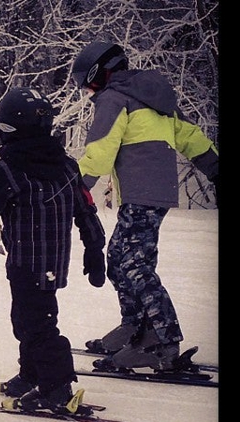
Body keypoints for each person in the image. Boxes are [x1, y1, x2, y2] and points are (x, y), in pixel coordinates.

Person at [0, 87, 106, 415]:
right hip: (53, 264)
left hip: (27, 264)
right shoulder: (66, 165)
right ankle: (32, 375)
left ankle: (57, 388)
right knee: (29, 319)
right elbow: (87, 210)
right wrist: (94, 248)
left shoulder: (9, 169)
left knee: (37, 325)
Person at [71, 41, 219, 371]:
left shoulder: (115, 98)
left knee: (133, 265)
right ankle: (135, 328)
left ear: (101, 74)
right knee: (121, 260)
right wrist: (214, 167)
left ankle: (160, 341)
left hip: (141, 195)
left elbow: (100, 151)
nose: (88, 91)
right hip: (153, 195)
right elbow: (188, 134)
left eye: (88, 83)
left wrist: (74, 189)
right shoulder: (152, 96)